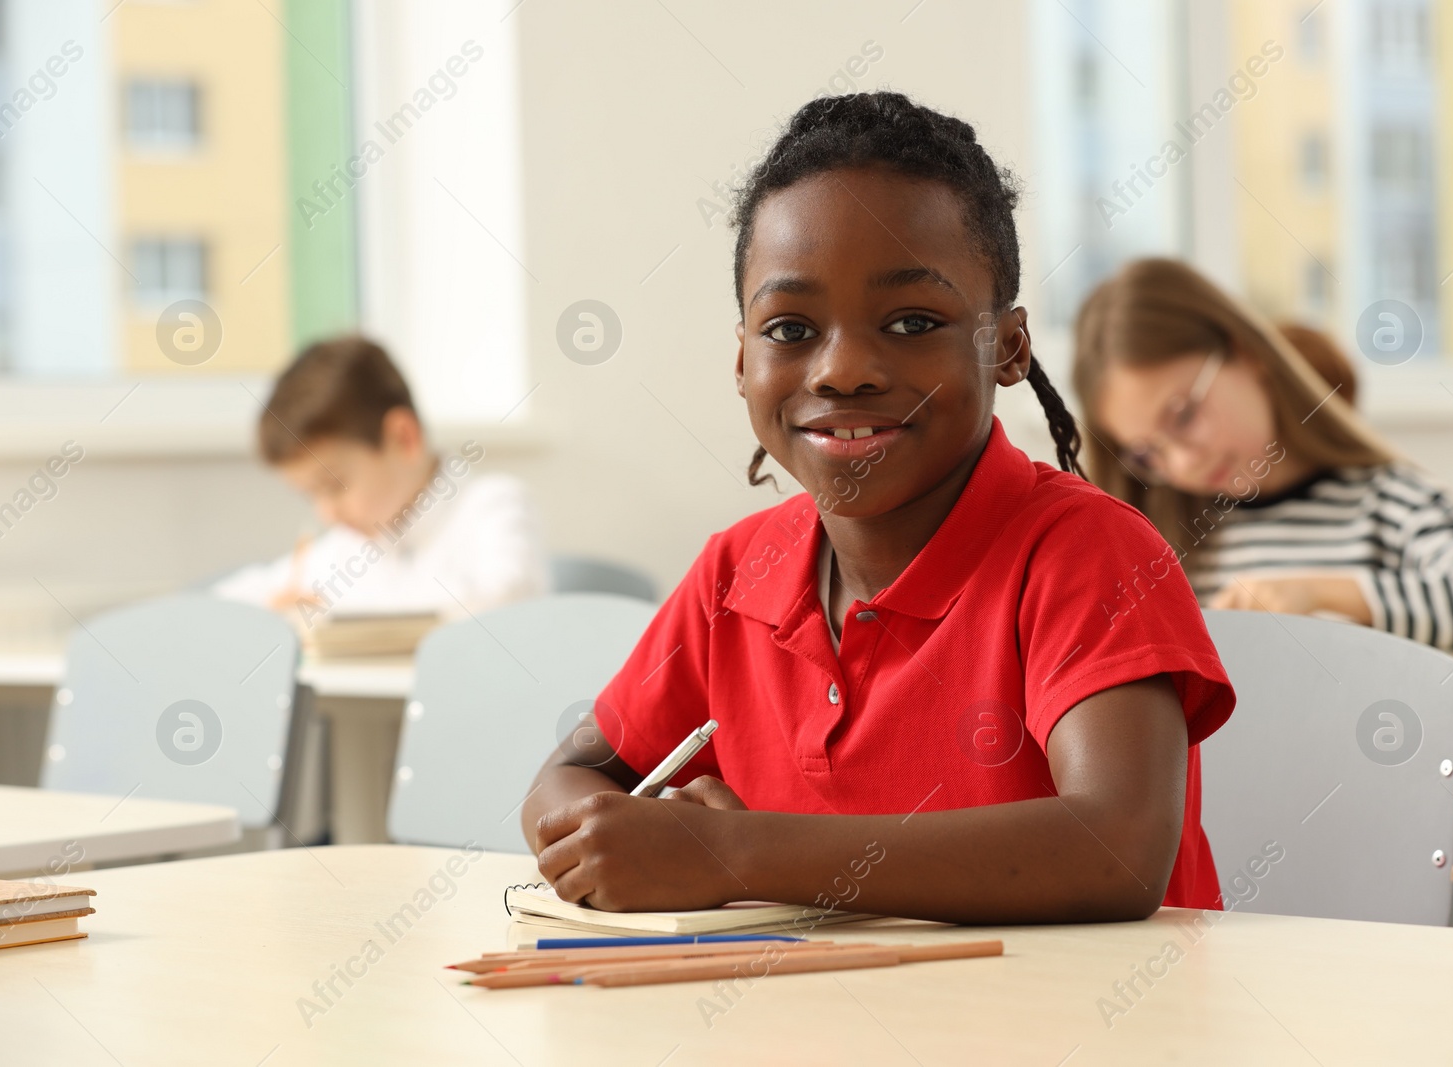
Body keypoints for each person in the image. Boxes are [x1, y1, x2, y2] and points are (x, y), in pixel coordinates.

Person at [520, 92, 1236, 924]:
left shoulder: (1087, 552)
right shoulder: (734, 573)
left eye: (910, 320)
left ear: (1006, 347)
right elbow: (564, 782)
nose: (844, 370)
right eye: (790, 329)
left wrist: (733, 855)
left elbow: (1115, 846)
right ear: (743, 360)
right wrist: (612, 832)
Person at [1072, 257, 1453, 651]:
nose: (1182, 463)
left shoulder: (1389, 503)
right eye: (1148, 453)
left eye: (1182, 417)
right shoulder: (1168, 546)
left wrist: (1323, 593)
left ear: (1246, 353)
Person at [215, 336, 548, 623]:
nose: (326, 514)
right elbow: (237, 596)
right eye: (311, 496)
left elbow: (505, 598)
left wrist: (334, 611)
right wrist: (272, 612)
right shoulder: (350, 545)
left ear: (404, 438)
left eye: (333, 486)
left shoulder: (493, 504)